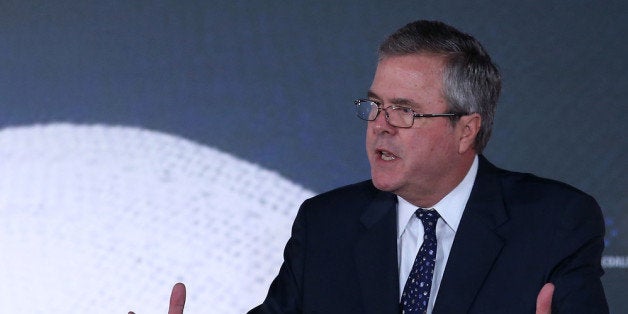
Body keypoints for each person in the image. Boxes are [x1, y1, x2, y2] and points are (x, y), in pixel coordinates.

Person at [150, 20, 608, 313]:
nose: (380, 126)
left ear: (466, 130)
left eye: (405, 110)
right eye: (374, 105)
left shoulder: (554, 222)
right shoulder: (326, 224)